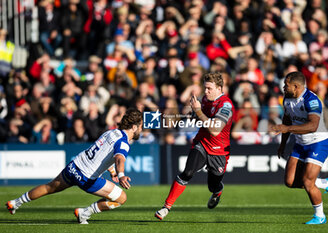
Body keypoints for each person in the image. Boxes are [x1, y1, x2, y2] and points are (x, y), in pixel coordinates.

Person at [6, 108, 143, 224]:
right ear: (134, 127)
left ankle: (16, 202)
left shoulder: (110, 132)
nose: (141, 130)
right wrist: (121, 175)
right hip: (86, 177)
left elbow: (102, 155)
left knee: (49, 187)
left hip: (74, 166)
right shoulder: (124, 142)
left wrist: (112, 171)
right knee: (121, 198)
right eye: (141, 126)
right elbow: (119, 158)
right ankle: (85, 213)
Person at [155, 72, 234, 220]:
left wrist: (198, 111)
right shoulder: (204, 99)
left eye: (209, 88)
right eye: (205, 88)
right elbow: (199, 118)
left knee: (213, 185)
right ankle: (166, 207)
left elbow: (216, 130)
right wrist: (192, 113)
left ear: (219, 88)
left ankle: (218, 190)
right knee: (188, 172)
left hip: (219, 150)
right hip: (202, 143)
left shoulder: (226, 105)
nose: (206, 92)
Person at [270, 71, 328, 225]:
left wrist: (287, 129)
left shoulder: (312, 100)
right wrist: (282, 144)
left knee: (308, 182)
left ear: (296, 86)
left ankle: (320, 216)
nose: (283, 88)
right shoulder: (287, 98)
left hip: (318, 143)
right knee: (289, 181)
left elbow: (313, 125)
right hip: (300, 143)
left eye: (286, 85)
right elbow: (287, 119)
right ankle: (325, 183)